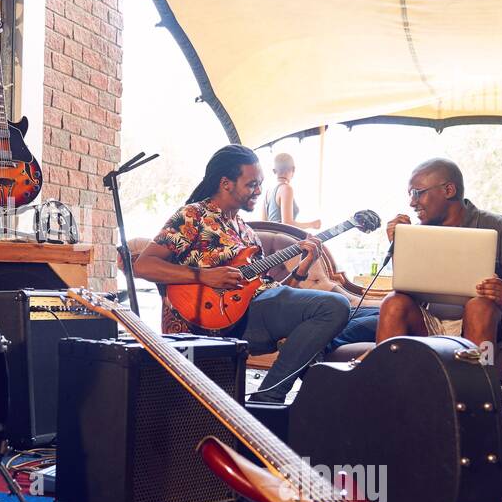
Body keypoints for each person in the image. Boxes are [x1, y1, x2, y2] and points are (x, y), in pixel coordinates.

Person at [133, 145, 351, 402]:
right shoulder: (193, 216)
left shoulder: (246, 231)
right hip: (213, 320)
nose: (259, 191)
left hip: (251, 314)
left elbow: (265, 288)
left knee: (356, 321)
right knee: (335, 305)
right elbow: (143, 265)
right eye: (252, 184)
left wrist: (302, 268)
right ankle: (268, 398)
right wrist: (204, 276)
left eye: (260, 184)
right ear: (226, 183)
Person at [376, 157, 502, 356]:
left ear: (449, 190)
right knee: (393, 303)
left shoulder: (500, 227)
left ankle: (479, 382)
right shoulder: (415, 234)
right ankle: (385, 384)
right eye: (410, 194)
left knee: (479, 306)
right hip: (430, 324)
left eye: (418, 193)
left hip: (488, 323)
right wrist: (398, 245)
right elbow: (405, 290)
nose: (412, 202)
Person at [257, 152, 321, 230]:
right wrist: (312, 224)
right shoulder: (286, 189)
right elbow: (287, 224)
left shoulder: (268, 192)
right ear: (293, 169)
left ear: (274, 171)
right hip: (284, 239)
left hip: (273, 239)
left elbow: (263, 224)